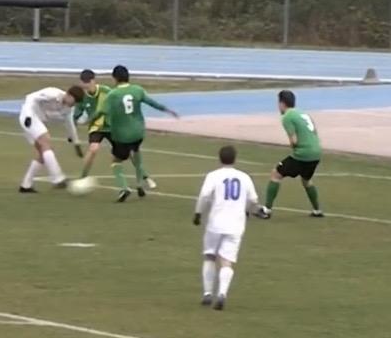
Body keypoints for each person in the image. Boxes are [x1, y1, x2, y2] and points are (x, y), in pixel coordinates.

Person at [90, 65, 178, 202]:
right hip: (138, 132)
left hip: (121, 135)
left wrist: (91, 120)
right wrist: (167, 110)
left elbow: (102, 111)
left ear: (114, 78)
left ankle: (124, 188)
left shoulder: (112, 95)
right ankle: (139, 184)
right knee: (136, 154)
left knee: (116, 161)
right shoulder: (137, 90)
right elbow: (152, 103)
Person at [194, 145, 259, 311]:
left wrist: (198, 213)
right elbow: (253, 200)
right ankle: (222, 293)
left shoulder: (213, 176)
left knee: (210, 256)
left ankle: (208, 293)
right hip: (236, 224)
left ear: (219, 158)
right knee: (227, 261)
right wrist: (251, 211)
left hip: (216, 223)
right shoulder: (244, 177)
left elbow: (204, 195)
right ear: (235, 159)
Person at [74, 69, 157, 189]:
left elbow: (119, 102)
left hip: (112, 127)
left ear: (93, 80)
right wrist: (76, 121)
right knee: (93, 149)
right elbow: (76, 114)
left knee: (128, 154)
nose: (86, 85)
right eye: (83, 82)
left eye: (88, 82)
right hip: (96, 128)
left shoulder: (106, 91)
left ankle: (145, 177)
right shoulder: (82, 97)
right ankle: (82, 178)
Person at [256, 90, 323, 219]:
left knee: (276, 174)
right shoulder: (302, 113)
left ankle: (267, 210)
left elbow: (294, 140)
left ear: (282, 103)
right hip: (316, 152)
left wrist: (294, 147)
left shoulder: (287, 116)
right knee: (306, 180)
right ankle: (317, 210)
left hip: (303, 153)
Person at [17, 85, 86, 193]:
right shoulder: (52, 93)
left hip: (37, 121)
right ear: (68, 94)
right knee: (46, 140)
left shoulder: (68, 108)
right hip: (29, 117)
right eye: (74, 100)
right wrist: (29, 116)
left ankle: (26, 185)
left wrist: (76, 142)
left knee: (43, 153)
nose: (74, 104)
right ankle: (57, 177)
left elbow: (69, 123)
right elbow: (30, 97)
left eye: (76, 102)